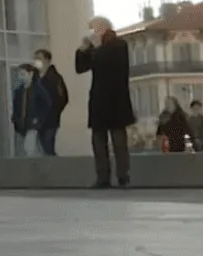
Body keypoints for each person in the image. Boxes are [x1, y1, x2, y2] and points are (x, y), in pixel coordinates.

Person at [76, 16, 133, 187]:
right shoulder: (97, 48)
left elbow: (107, 60)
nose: (92, 32)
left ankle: (123, 175)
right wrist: (82, 50)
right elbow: (80, 68)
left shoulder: (118, 44)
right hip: (99, 100)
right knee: (98, 141)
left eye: (94, 28)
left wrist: (95, 47)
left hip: (116, 100)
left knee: (119, 141)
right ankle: (103, 177)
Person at [32, 49, 70, 156]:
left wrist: (54, 112)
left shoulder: (55, 78)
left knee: (48, 147)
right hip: (38, 120)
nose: (36, 61)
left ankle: (53, 168)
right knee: (43, 148)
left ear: (47, 61)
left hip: (51, 120)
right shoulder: (34, 78)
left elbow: (63, 98)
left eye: (39, 58)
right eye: (35, 59)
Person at [12, 64, 54, 157]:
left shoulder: (37, 89)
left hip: (32, 124)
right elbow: (16, 106)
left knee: (29, 147)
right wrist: (15, 119)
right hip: (20, 125)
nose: (21, 77)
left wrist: (39, 118)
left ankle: (32, 165)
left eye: (23, 74)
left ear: (30, 74)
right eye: (19, 75)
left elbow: (47, 104)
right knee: (22, 149)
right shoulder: (19, 91)